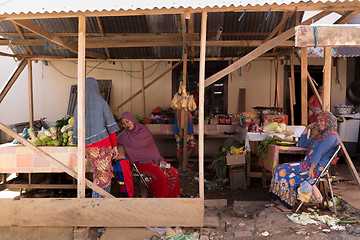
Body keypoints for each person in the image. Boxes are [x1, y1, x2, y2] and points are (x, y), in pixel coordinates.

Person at [268, 110, 339, 212]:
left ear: (328, 121)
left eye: (321, 120)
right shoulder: (322, 135)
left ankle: (287, 205)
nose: (318, 123)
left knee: (283, 171)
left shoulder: (332, 136)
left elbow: (319, 153)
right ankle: (280, 200)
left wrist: (311, 169)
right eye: (317, 121)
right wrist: (307, 128)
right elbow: (303, 144)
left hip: (315, 168)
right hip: (308, 165)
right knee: (277, 168)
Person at [72, 77, 120, 198]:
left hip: (86, 147)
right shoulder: (102, 103)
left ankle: (98, 204)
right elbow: (110, 127)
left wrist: (80, 147)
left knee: (97, 175)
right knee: (103, 178)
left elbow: (77, 128)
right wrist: (114, 146)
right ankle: (97, 205)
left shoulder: (79, 106)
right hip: (102, 146)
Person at [117, 112, 181, 198]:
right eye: (124, 124)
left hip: (156, 159)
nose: (126, 125)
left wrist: (159, 160)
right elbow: (114, 144)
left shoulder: (143, 129)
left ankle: (171, 199)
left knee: (173, 172)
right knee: (160, 176)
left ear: (132, 119)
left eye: (127, 121)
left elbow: (152, 147)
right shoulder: (123, 136)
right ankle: (162, 198)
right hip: (140, 164)